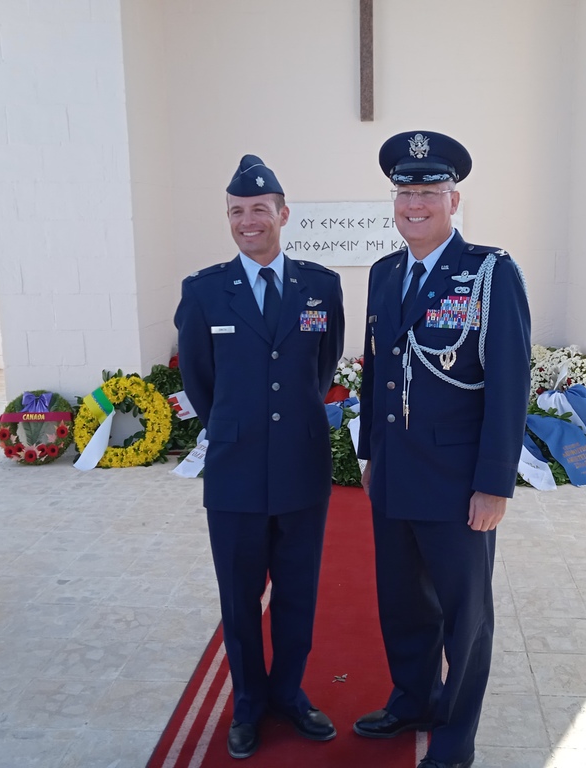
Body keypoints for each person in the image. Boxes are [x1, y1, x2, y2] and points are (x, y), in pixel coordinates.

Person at [353, 131, 531, 768]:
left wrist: (495, 483)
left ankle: (454, 739)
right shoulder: (385, 273)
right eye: (405, 193)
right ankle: (412, 699)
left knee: (465, 616)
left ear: (454, 200)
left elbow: (509, 383)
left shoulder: (489, 272)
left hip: (458, 482)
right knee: (402, 603)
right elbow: (376, 372)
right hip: (395, 474)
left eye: (429, 192)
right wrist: (370, 456)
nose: (415, 204)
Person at [174, 155, 345, 759]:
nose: (248, 221)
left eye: (260, 210)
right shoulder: (203, 292)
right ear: (228, 218)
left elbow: (322, 367)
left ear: (283, 214)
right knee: (240, 595)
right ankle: (248, 702)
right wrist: (238, 426)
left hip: (301, 465)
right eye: (237, 211)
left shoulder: (321, 286)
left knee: (298, 591)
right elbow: (200, 382)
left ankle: (289, 694)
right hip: (236, 470)